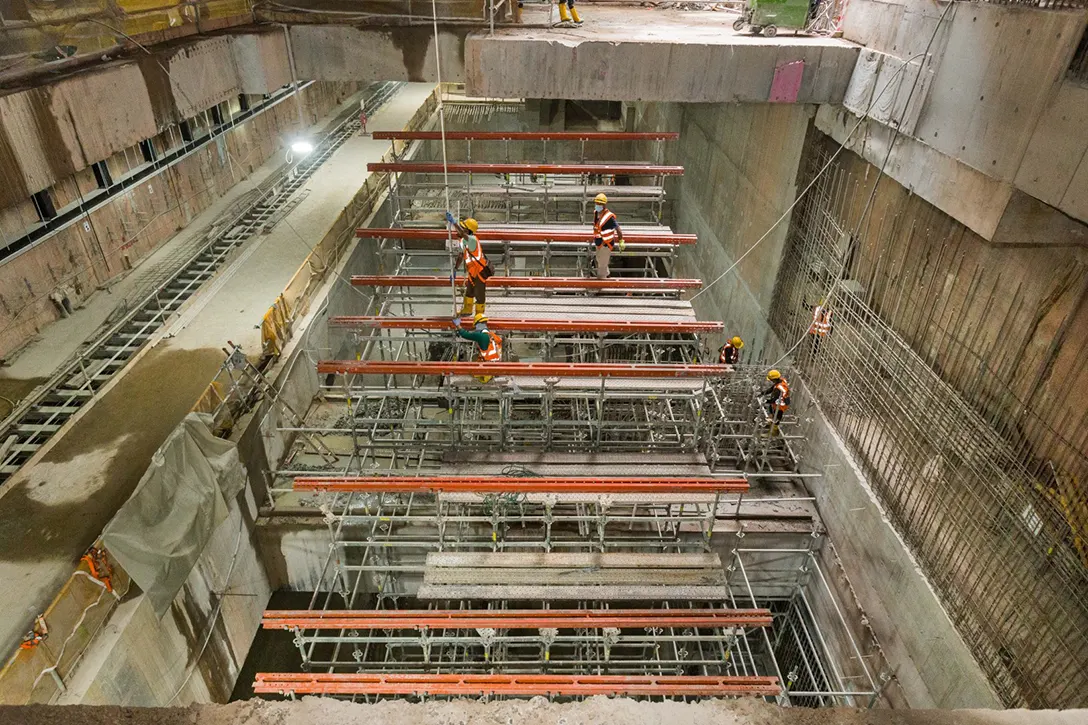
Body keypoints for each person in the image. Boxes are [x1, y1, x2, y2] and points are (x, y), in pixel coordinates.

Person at [446, 213, 491, 321]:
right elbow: (461, 256)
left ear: (467, 231)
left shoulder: (472, 240)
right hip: (472, 272)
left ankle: (479, 315)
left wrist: (454, 223)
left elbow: (461, 233)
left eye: (463, 228)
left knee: (479, 294)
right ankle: (467, 309)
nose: (459, 230)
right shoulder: (463, 241)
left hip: (479, 272)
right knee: (469, 291)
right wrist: (455, 269)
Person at [453, 317, 503, 384]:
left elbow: (464, 334)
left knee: (472, 369)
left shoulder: (480, 335)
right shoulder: (492, 335)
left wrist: (457, 325)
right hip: (498, 365)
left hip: (488, 367)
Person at [591, 193, 625, 280]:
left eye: (600, 204)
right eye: (597, 203)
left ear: (604, 205)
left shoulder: (609, 217)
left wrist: (621, 241)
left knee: (602, 265)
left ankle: (601, 285)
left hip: (606, 244)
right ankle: (608, 275)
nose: (597, 205)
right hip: (599, 243)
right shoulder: (596, 213)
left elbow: (618, 229)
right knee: (599, 259)